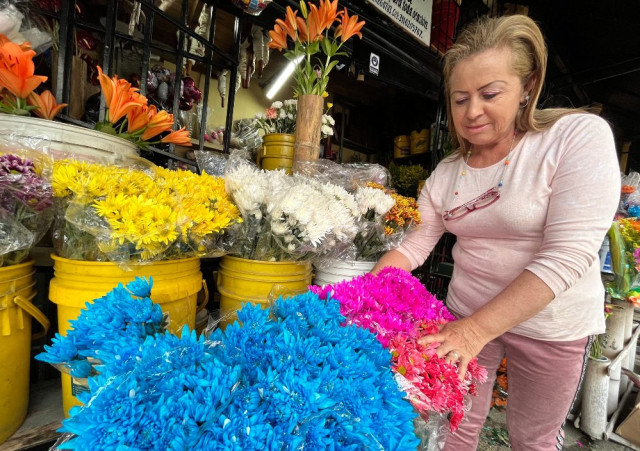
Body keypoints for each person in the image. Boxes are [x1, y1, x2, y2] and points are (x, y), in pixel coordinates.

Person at [371, 14, 621, 451]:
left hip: (552, 326)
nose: (472, 112)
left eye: (489, 94)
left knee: (533, 438)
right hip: (463, 312)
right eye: (460, 98)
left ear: (528, 86)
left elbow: (567, 255)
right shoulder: (448, 172)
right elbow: (413, 245)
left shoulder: (575, 137)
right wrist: (366, 296)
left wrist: (473, 332)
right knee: (454, 425)